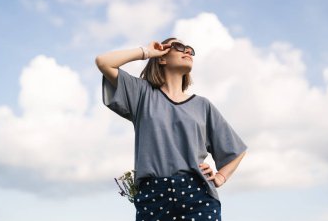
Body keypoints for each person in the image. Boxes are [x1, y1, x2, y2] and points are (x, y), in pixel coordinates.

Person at [95, 37, 248, 221]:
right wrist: (146, 52)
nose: (188, 52)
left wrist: (221, 176)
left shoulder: (202, 105)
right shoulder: (142, 94)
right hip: (153, 197)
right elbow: (104, 62)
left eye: (190, 50)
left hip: (197, 195)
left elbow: (236, 149)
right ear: (162, 58)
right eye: (180, 47)